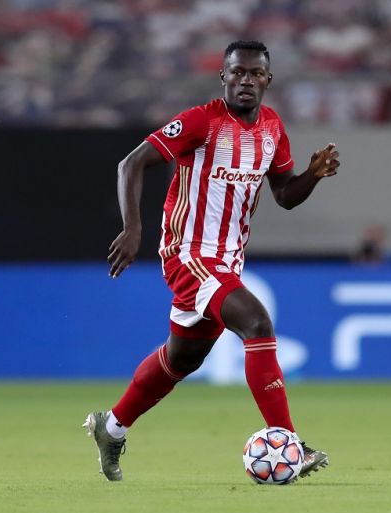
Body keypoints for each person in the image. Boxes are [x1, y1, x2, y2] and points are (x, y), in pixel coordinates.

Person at [83, 40, 338, 482]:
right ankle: (290, 443)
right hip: (188, 253)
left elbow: (284, 195)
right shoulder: (201, 121)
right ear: (223, 77)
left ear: (268, 79)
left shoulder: (272, 128)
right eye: (237, 72)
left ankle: (112, 427)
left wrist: (312, 176)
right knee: (257, 323)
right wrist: (133, 228)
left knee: (182, 359)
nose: (245, 80)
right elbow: (131, 164)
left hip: (227, 260)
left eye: (255, 73)